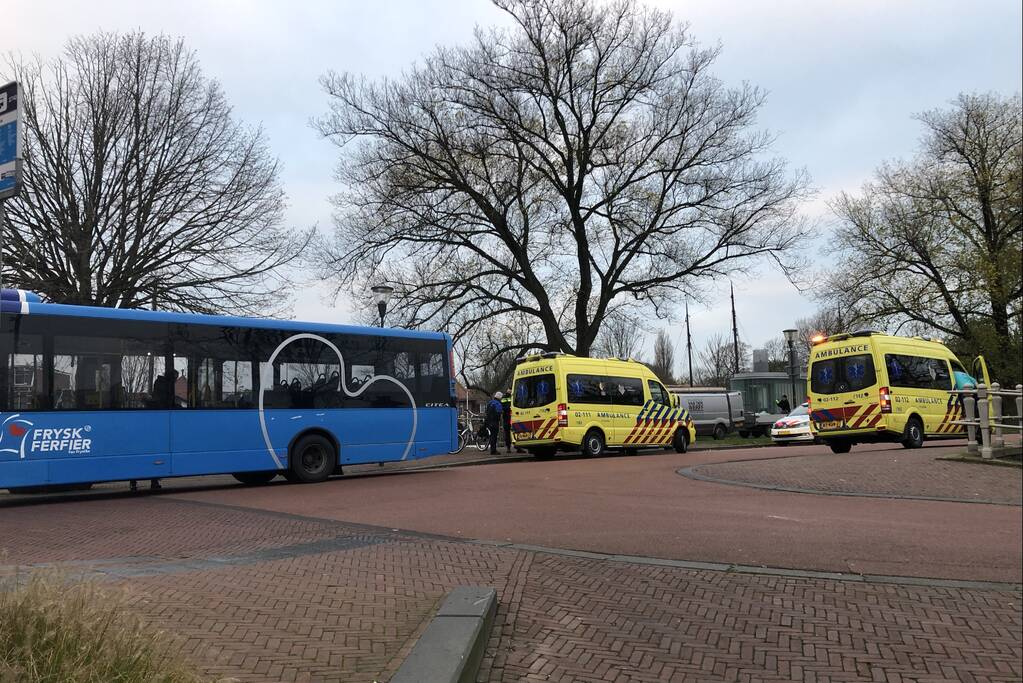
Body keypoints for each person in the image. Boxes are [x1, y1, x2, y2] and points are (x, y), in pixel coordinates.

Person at [485, 391, 504, 455]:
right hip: (495, 422)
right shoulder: (498, 404)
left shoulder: (490, 402)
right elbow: (499, 413)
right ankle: (493, 450)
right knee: (494, 436)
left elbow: (486, 411)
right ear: (500, 397)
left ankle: (492, 449)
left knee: (491, 436)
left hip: (489, 421)